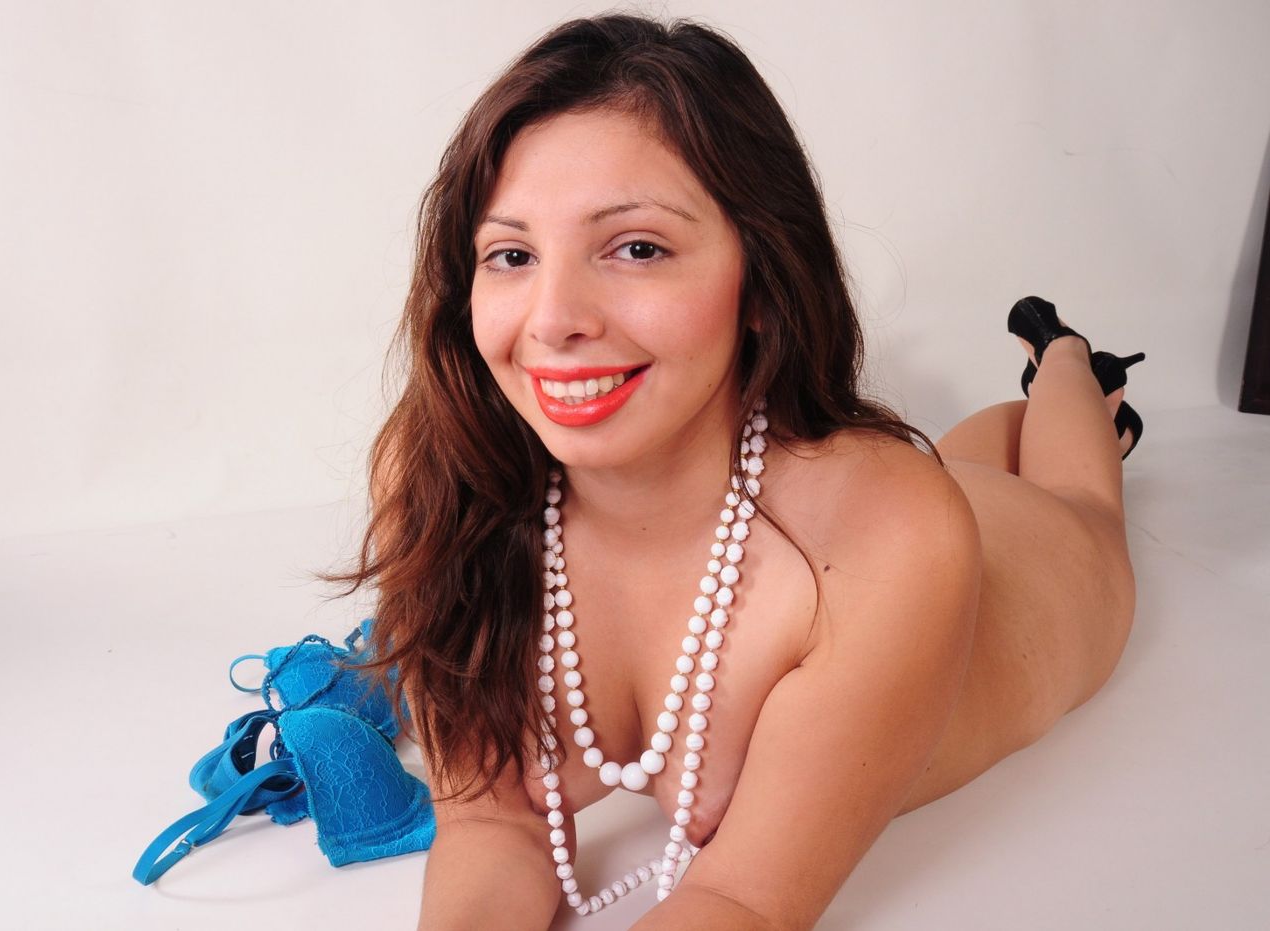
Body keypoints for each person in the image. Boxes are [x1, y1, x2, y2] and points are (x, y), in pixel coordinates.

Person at [318, 12, 1142, 930]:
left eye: (637, 248)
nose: (552, 320)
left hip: (1035, 572)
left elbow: (742, 897)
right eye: (512, 255)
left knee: (1072, 486)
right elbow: (489, 823)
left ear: (761, 277)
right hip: (902, 520)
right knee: (962, 460)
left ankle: (1068, 359)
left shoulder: (889, 537)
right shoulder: (440, 479)